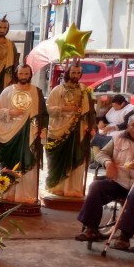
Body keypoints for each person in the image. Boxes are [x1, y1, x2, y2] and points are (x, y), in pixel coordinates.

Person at [75, 113, 134, 249]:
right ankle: (91, 229)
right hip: (120, 182)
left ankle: (124, 237)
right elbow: (102, 154)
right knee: (96, 186)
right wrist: (108, 163)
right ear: (128, 127)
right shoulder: (118, 138)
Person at [0, 64, 48, 204]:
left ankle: (26, 196)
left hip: (30, 135)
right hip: (10, 134)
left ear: (30, 75)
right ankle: (8, 195)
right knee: (9, 165)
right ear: (17, 74)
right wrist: (10, 112)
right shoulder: (7, 91)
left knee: (28, 164)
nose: (24, 77)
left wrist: (43, 129)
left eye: (26, 74)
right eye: (21, 74)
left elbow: (44, 115)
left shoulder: (37, 92)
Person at [45, 62, 96, 198]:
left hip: (78, 130)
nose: (75, 76)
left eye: (78, 73)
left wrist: (90, 126)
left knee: (77, 158)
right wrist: (64, 109)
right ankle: (58, 187)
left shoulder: (84, 90)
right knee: (58, 160)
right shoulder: (57, 90)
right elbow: (48, 109)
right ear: (67, 73)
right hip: (59, 128)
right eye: (73, 73)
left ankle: (73, 188)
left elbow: (90, 112)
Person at [92, 94, 134, 162]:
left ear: (123, 104)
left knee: (111, 139)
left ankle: (107, 160)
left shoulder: (130, 110)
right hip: (109, 129)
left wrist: (112, 128)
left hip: (121, 131)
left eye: (115, 106)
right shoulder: (113, 108)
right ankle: (97, 159)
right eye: (113, 106)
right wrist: (101, 121)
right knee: (96, 137)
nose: (114, 108)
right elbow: (105, 117)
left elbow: (126, 125)